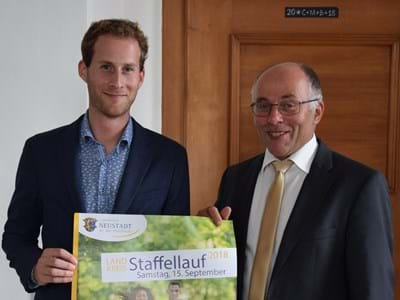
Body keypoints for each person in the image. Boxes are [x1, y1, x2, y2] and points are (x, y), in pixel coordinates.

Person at [2, 19, 190, 300]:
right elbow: (15, 235)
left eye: (127, 69)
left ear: (140, 75)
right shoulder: (41, 150)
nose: (117, 81)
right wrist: (33, 267)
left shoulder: (170, 158)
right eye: (106, 67)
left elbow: (176, 247)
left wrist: (210, 234)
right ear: (84, 70)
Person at [199, 62, 394, 300]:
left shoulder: (359, 186)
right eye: (263, 106)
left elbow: (374, 291)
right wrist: (202, 236)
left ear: (318, 111)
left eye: (288, 105)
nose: (274, 118)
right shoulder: (235, 178)